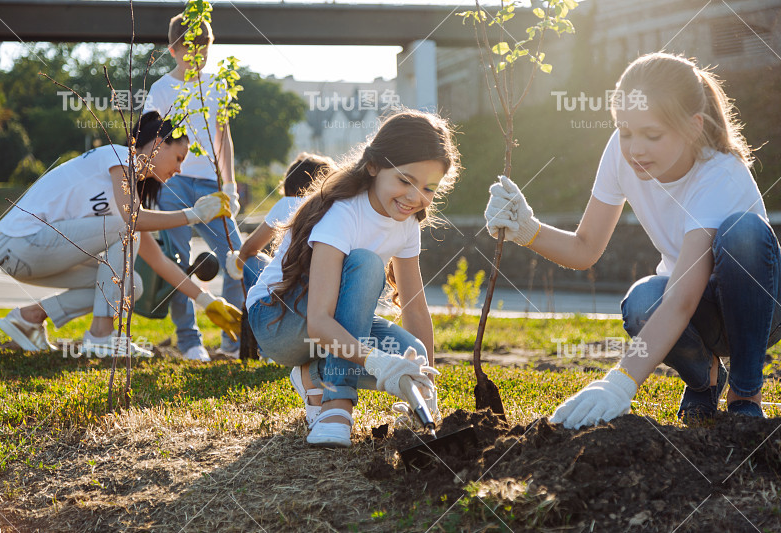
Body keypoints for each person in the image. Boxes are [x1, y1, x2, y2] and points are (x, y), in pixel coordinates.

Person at [485, 52, 776, 429]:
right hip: (695, 310)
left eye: (651, 135)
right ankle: (705, 380)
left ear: (693, 127)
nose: (635, 147)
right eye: (625, 131)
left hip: (761, 310)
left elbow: (682, 299)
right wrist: (527, 229)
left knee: (745, 233)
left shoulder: (719, 174)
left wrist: (619, 381)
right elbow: (585, 248)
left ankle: (746, 390)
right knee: (641, 301)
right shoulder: (623, 155)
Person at [246, 110, 459, 447]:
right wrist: (376, 361)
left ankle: (311, 375)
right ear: (373, 167)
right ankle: (336, 405)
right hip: (278, 320)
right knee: (365, 263)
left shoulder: (407, 224)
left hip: (328, 326)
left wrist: (425, 387)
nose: (415, 197)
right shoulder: (343, 212)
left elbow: (416, 311)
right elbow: (318, 322)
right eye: (404, 180)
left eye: (428, 187)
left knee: (410, 353)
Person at [0, 112, 241, 357]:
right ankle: (101, 336)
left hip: (32, 254)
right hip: (17, 243)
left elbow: (158, 261)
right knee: (127, 228)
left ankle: (28, 318)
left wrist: (207, 301)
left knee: (132, 284)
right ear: (157, 144)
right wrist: (194, 215)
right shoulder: (119, 156)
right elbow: (133, 221)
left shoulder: (124, 195)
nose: (178, 170)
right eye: (178, 158)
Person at [144, 11, 243, 361]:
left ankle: (233, 340)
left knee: (235, 257)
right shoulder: (161, 89)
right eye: (188, 47)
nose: (196, 53)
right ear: (173, 49)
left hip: (211, 185)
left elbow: (224, 137)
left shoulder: (219, 84)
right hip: (174, 184)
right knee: (179, 260)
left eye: (203, 46)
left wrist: (229, 186)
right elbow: (149, 140)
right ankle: (189, 341)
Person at [223, 152, 335, 293]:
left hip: (288, 292)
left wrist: (236, 265)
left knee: (252, 261)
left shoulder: (289, 203)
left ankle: (248, 311)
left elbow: (250, 247)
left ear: (293, 190)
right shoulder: (335, 208)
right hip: (323, 291)